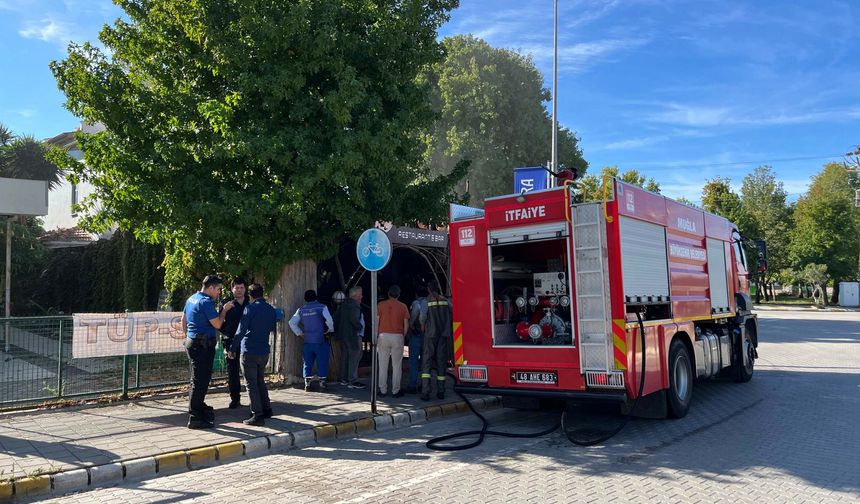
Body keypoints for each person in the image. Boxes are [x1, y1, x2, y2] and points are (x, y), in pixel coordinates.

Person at [181, 275, 229, 429]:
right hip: (202, 346)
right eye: (218, 289)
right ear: (211, 288)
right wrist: (224, 311)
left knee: (197, 379)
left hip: (193, 342)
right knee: (200, 382)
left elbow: (183, 320)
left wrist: (187, 336)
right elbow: (217, 324)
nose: (219, 292)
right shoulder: (206, 302)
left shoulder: (192, 298)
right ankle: (195, 417)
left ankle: (199, 407)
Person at [228, 283, 276, 426]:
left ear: (250, 296)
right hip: (264, 350)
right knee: (260, 380)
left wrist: (232, 348)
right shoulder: (270, 309)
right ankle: (267, 409)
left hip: (249, 350)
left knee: (251, 383)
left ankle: (257, 414)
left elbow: (241, 331)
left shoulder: (249, 309)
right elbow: (272, 327)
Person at [289, 290, 334, 391]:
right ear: (316, 297)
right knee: (322, 361)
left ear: (305, 299)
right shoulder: (322, 307)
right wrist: (330, 330)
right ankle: (322, 384)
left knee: (307, 362)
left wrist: (300, 333)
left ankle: (307, 384)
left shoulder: (301, 310)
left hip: (307, 340)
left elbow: (291, 322)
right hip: (320, 340)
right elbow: (329, 320)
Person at [218, 277, 249, 409]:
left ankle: (256, 399)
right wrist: (224, 310)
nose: (239, 290)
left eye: (242, 287)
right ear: (232, 289)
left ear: (245, 289)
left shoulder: (250, 302)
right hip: (231, 342)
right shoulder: (226, 303)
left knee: (250, 371)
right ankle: (235, 399)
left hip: (247, 341)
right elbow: (219, 324)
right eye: (237, 288)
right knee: (233, 371)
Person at [421, 280, 452, 401]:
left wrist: (422, 326)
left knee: (427, 361)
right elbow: (452, 311)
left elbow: (423, 316)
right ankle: (441, 391)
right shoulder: (446, 301)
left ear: (428, 289)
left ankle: (425, 391)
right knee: (441, 361)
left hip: (430, 334)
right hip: (443, 334)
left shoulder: (426, 301)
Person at [376, 285, 410, 398]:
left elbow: (376, 322)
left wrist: (377, 335)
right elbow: (406, 325)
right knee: (397, 365)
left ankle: (383, 390)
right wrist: (402, 335)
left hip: (383, 336)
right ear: (398, 295)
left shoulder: (380, 305)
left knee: (382, 364)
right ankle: (396, 390)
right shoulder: (403, 306)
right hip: (397, 336)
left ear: (388, 294)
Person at [333, 286, 366, 389]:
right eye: (360, 295)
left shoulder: (343, 305)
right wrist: (360, 327)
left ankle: (344, 379)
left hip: (343, 335)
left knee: (345, 357)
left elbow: (335, 318)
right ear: (356, 296)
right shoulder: (355, 305)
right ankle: (353, 380)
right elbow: (354, 319)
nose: (362, 297)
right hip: (353, 335)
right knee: (354, 357)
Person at [406, 285, 429, 394]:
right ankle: (424, 385)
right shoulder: (430, 302)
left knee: (413, 361)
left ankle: (412, 384)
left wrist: (411, 326)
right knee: (425, 361)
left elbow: (414, 315)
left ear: (416, 294)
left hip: (416, 334)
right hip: (428, 335)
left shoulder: (416, 303)